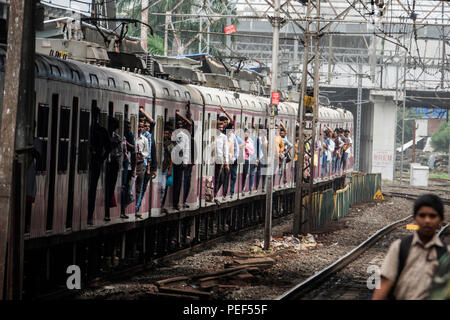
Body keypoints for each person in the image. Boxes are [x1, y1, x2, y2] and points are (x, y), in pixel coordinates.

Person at [373, 194, 448, 300]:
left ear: (441, 219)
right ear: (414, 218)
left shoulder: (446, 253)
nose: (427, 220)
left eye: (432, 216)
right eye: (422, 215)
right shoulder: (399, 247)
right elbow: (384, 284)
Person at [87, 105, 111, 225]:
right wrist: (102, 158)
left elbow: (108, 147)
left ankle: (89, 215)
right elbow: (109, 147)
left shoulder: (99, 131)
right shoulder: (101, 131)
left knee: (92, 190)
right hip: (96, 161)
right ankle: (89, 216)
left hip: (95, 161)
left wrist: (101, 159)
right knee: (91, 190)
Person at [135, 118, 157, 215]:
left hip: (144, 165)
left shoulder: (148, 137)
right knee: (139, 187)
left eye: (148, 126)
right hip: (140, 165)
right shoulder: (142, 136)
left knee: (141, 188)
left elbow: (150, 154)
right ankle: (135, 208)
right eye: (144, 126)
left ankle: (136, 208)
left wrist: (150, 168)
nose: (146, 128)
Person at [104, 116, 122, 221]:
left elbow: (120, 152)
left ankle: (108, 208)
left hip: (114, 163)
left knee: (111, 187)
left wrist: (115, 154)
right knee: (107, 186)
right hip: (107, 163)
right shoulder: (105, 136)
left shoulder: (117, 137)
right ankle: (106, 211)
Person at [172, 116, 191, 211]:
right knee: (172, 182)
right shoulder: (173, 134)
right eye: (178, 124)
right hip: (172, 158)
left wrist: (185, 161)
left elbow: (187, 149)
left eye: (181, 124)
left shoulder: (185, 135)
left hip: (180, 159)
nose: (179, 126)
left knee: (178, 182)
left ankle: (176, 202)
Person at [222, 122, 243, 199]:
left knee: (231, 176)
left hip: (231, 159)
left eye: (232, 130)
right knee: (224, 177)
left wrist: (234, 158)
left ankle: (229, 193)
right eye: (229, 130)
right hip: (225, 160)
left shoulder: (234, 137)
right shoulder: (224, 136)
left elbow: (237, 148)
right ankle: (224, 193)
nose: (231, 132)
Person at [133, 121, 149, 219]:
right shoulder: (133, 138)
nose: (140, 128)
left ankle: (135, 209)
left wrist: (141, 153)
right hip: (133, 164)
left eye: (141, 127)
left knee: (139, 187)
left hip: (140, 164)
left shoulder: (145, 140)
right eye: (139, 126)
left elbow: (147, 153)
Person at [120, 120, 135, 219]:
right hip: (123, 165)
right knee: (123, 187)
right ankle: (121, 210)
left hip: (127, 165)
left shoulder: (129, 134)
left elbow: (133, 148)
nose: (129, 128)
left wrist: (125, 141)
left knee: (126, 187)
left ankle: (123, 209)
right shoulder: (121, 134)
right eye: (127, 127)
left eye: (130, 127)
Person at [213, 121, 229, 205]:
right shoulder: (213, 136)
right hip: (213, 160)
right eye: (219, 128)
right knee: (215, 177)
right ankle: (213, 194)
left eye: (222, 128)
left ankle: (215, 193)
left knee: (220, 178)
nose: (220, 129)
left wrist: (226, 162)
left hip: (220, 160)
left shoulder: (224, 137)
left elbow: (225, 149)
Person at [161, 123, 175, 215]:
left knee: (163, 188)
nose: (165, 135)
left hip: (165, 167)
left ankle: (161, 205)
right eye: (164, 133)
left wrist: (170, 169)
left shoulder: (169, 144)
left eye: (167, 133)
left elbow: (172, 156)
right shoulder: (159, 141)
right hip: (160, 168)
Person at [242, 129, 256, 195]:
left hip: (246, 159)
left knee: (245, 174)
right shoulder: (240, 141)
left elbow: (252, 152)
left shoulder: (250, 142)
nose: (246, 135)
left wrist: (246, 148)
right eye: (245, 134)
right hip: (239, 160)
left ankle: (242, 189)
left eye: (247, 134)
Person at [255, 124, 268, 192]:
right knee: (259, 172)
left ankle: (263, 186)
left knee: (264, 172)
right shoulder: (256, 137)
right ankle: (257, 187)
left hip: (264, 156)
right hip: (259, 157)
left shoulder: (264, 138)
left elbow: (266, 147)